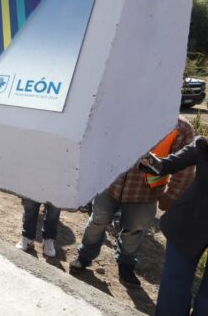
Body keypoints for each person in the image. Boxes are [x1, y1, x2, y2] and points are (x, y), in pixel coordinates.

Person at [70, 117, 195, 287]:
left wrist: (171, 196)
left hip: (144, 193)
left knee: (134, 231)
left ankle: (126, 265)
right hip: (109, 184)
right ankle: (84, 256)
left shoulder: (180, 127)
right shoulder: (124, 111)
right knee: (97, 221)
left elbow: (185, 169)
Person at [140, 137, 208, 315]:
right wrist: (145, 157)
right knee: (174, 286)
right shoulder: (203, 146)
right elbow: (166, 165)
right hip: (188, 224)